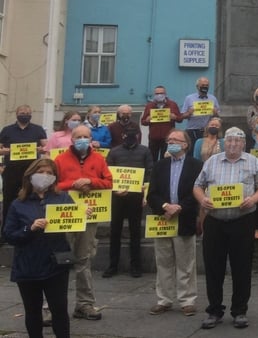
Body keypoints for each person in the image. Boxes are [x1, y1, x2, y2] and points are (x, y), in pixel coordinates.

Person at [193, 127, 258, 329]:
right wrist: (203, 200)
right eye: (229, 141)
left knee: (242, 267)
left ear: (244, 144)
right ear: (223, 142)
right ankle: (214, 310)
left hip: (242, 221)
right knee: (213, 267)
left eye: (237, 141)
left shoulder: (253, 161)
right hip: (215, 221)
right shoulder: (212, 161)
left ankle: (240, 311)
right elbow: (197, 185)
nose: (233, 144)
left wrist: (252, 199)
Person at [2, 158, 74, 338]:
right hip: (28, 267)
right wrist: (30, 228)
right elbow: (9, 235)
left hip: (56, 265)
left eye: (50, 173)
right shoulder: (18, 204)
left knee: (59, 310)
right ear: (30, 175)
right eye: (41, 172)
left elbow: (74, 222)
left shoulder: (63, 197)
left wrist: (84, 214)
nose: (45, 176)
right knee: (33, 312)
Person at [54, 125, 113, 321]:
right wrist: (73, 184)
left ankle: (84, 304)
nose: (82, 139)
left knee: (83, 260)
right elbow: (53, 185)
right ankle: (51, 307)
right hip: (65, 216)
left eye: (85, 137)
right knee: (58, 260)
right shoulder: (60, 159)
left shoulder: (99, 159)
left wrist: (90, 181)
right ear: (72, 139)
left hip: (89, 217)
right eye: (78, 136)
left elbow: (109, 182)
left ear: (90, 139)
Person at [146, 129, 204, 317]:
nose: (170, 142)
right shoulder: (160, 165)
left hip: (184, 218)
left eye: (175, 140)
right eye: (169, 139)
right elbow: (152, 192)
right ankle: (164, 299)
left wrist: (179, 207)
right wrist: (165, 206)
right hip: (162, 219)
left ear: (185, 144)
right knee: (163, 261)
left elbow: (197, 191)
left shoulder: (196, 165)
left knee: (186, 262)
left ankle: (187, 300)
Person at [103, 124, 154, 278]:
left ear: (138, 135)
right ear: (123, 135)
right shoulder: (114, 151)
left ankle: (136, 266)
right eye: (128, 134)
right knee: (115, 231)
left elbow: (150, 172)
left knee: (135, 231)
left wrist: (145, 194)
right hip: (117, 196)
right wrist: (114, 190)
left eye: (134, 133)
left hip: (136, 196)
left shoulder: (145, 151)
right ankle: (112, 265)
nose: (131, 136)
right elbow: (107, 174)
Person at [1, 105, 48, 238]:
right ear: (16, 114)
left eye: (27, 112)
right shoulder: (7, 130)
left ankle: (31, 228)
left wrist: (41, 149)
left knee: (30, 200)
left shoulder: (38, 129)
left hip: (32, 172)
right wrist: (4, 151)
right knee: (9, 202)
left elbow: (46, 147)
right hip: (11, 172)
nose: (25, 114)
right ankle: (6, 233)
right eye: (22, 112)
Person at [141, 85, 183, 162]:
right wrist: (147, 120)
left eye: (161, 93)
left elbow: (180, 119)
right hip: (154, 138)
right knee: (152, 160)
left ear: (165, 94)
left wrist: (175, 117)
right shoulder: (150, 105)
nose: (159, 95)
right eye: (157, 93)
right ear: (154, 95)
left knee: (167, 159)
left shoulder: (172, 104)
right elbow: (143, 122)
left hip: (168, 139)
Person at [182, 77, 221, 152]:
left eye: (207, 85)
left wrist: (215, 113)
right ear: (197, 86)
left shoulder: (213, 98)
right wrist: (189, 113)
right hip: (192, 131)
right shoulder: (189, 98)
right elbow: (182, 116)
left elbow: (218, 117)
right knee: (191, 152)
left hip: (207, 132)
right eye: (203, 85)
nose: (205, 87)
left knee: (206, 151)